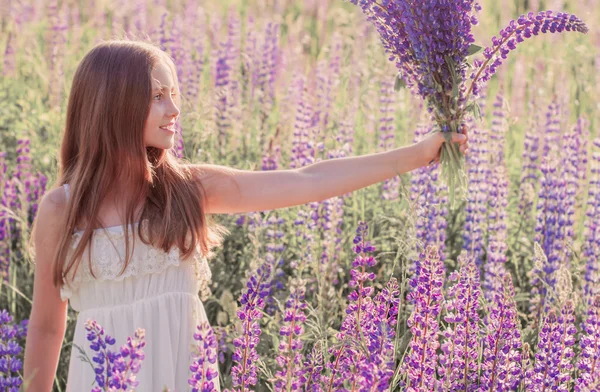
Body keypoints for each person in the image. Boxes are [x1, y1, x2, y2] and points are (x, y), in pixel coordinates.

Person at [22, 38, 469, 391]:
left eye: (173, 94)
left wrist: (415, 154)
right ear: (113, 105)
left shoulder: (185, 190)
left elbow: (306, 180)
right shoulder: (63, 210)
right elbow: (45, 326)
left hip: (185, 377)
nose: (174, 110)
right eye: (157, 96)